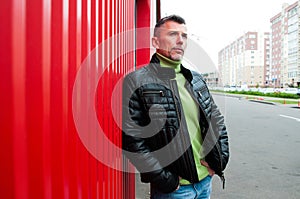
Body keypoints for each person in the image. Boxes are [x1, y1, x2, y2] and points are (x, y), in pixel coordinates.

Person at [122, 15, 229, 199]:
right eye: (173, 34)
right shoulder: (137, 81)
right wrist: (166, 181)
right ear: (155, 41)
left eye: (184, 36)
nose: (180, 40)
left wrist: (219, 162)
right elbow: (134, 141)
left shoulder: (195, 78)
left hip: (205, 183)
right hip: (175, 190)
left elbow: (216, 121)